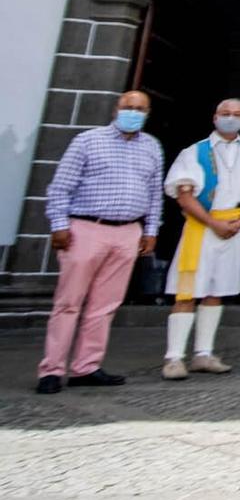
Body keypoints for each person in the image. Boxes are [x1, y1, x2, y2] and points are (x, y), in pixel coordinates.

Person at [36, 90, 165, 394]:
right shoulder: (88, 140)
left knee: (105, 305)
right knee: (69, 303)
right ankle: (52, 368)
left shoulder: (152, 146)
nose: (134, 112)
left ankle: (86, 366)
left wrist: (151, 230)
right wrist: (59, 225)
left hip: (127, 232)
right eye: (128, 107)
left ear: (147, 113)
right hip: (86, 228)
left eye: (140, 109)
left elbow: (154, 192)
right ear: (116, 109)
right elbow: (60, 187)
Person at [161, 99, 240, 380]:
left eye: (237, 115)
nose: (231, 118)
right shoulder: (194, 152)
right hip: (202, 227)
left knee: (215, 292)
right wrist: (212, 222)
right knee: (187, 291)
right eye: (225, 114)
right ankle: (174, 357)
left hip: (234, 226)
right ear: (214, 117)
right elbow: (184, 193)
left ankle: (204, 353)